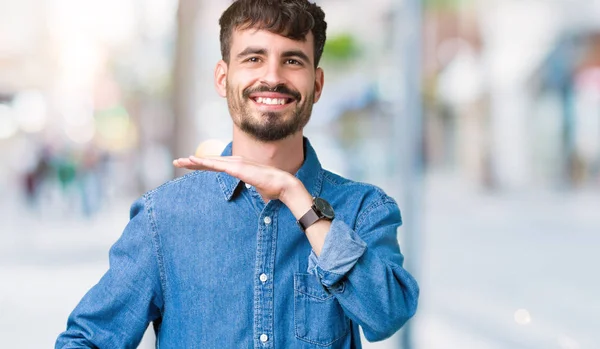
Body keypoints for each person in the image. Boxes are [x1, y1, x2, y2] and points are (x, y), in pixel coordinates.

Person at [55, 0, 419, 348]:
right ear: (222, 78)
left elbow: (387, 316)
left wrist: (299, 200)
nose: (272, 77)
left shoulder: (364, 209)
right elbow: (87, 340)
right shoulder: (163, 217)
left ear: (317, 84)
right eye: (254, 58)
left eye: (292, 60)